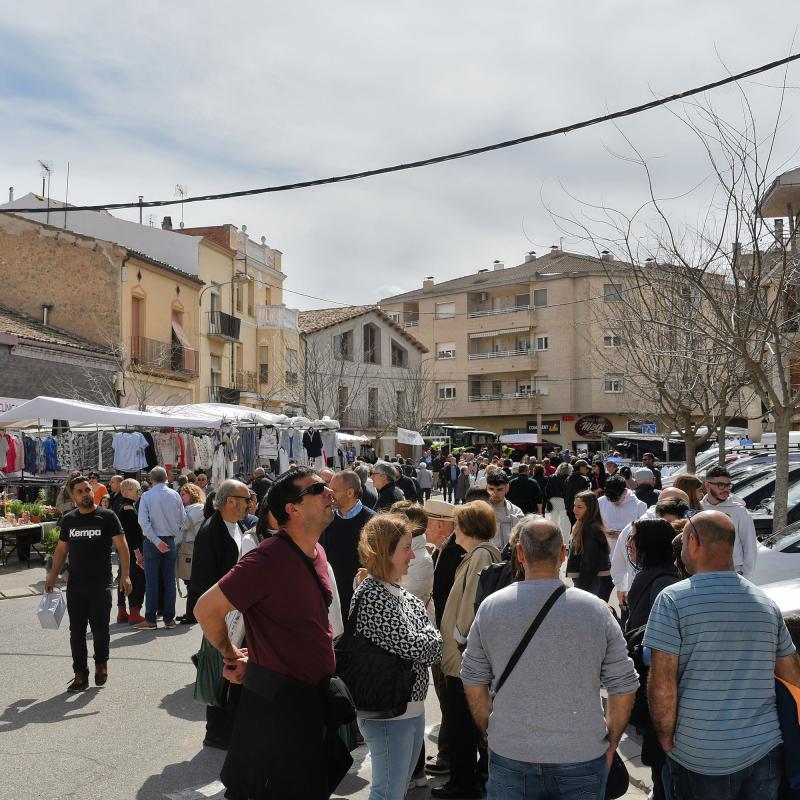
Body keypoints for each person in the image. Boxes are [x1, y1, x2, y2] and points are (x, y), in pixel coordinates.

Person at [194, 468, 349, 798]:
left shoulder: (317, 552)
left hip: (310, 704)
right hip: (279, 711)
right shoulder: (267, 557)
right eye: (318, 489)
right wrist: (230, 652)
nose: (329, 493)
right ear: (292, 509)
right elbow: (206, 609)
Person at [461, 518, 639, 800]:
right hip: (580, 755)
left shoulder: (491, 607)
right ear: (563, 554)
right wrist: (611, 742)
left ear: (519, 553)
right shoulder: (596, 610)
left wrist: (491, 733)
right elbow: (624, 685)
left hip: (511, 753)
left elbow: (473, 679)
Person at [645, 510, 800, 800]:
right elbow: (792, 674)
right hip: (764, 750)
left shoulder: (672, 600)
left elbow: (663, 681)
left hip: (698, 753)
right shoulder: (765, 602)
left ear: (693, 541)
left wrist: (665, 737)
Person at [351, 513, 443, 800]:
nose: (412, 556)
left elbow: (428, 643)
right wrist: (431, 638)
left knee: (397, 787)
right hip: (389, 710)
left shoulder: (398, 592)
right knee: (389, 791)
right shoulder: (373, 594)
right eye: (406, 547)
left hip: (408, 708)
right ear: (384, 551)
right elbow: (419, 646)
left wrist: (429, 639)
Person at [435, 501, 500, 799]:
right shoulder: (479, 554)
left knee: (462, 724)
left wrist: (459, 640)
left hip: (463, 658)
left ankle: (463, 785)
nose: (453, 529)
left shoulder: (480, 556)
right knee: (465, 724)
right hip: (465, 656)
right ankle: (467, 781)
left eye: (458, 524)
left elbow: (471, 609)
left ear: (469, 527)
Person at [44, 474, 132, 691]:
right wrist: (52, 576)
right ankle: (80, 674)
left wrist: (125, 575)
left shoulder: (107, 516)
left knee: (100, 630)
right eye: (80, 492)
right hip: (75, 585)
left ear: (92, 492)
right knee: (76, 632)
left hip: (100, 584)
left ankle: (101, 663)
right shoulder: (69, 520)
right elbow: (61, 549)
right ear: (73, 497)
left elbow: (122, 546)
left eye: (87, 490)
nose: (85, 494)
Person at [189, 479, 253, 750]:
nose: (249, 502)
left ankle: (228, 727)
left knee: (230, 670)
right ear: (230, 501)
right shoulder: (211, 531)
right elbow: (203, 579)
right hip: (221, 613)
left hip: (235, 612)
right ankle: (215, 732)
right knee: (218, 671)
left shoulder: (237, 526)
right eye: (245, 498)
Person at [623, 518, 680, 800]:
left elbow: (661, 647)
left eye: (634, 538)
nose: (629, 544)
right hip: (649, 684)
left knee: (663, 764)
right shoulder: (651, 575)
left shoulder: (665, 584)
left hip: (659, 687)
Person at [424, 498, 462, 778]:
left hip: (449, 637)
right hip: (443, 634)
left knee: (450, 698)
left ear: (438, 524)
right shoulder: (443, 549)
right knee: (447, 696)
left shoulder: (452, 552)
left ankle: (449, 755)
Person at [610, 488, 690, 607]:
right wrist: (621, 586)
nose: (630, 544)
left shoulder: (689, 537)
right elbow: (617, 562)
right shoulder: (636, 528)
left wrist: (621, 587)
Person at [135, 466, 186, 630]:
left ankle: (150, 619)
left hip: (152, 541)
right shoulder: (175, 495)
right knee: (169, 580)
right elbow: (183, 519)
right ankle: (169, 619)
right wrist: (171, 536)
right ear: (166, 478)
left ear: (151, 480)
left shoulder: (147, 496)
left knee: (152, 582)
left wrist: (157, 541)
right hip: (169, 540)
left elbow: (143, 522)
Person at [320, 470, 376, 616]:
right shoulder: (327, 518)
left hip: (360, 602)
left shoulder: (372, 522)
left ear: (350, 493)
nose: (330, 495)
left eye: (334, 491)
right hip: (332, 598)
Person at [700, 465, 758, 578]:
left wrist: (746, 576)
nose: (726, 489)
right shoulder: (698, 508)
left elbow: (750, 546)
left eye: (728, 485)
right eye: (720, 485)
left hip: (733, 572)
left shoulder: (739, 511)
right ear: (707, 485)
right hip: (703, 572)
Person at [565, 490, 612, 600]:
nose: (575, 509)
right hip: (587, 578)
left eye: (580, 507)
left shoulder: (591, 529)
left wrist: (581, 588)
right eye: (574, 506)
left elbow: (590, 563)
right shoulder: (581, 524)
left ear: (590, 509)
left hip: (591, 579)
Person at [115, 478, 146, 625]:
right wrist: (138, 553)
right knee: (136, 580)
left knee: (123, 577)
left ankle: (122, 611)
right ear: (127, 491)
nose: (139, 492)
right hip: (132, 550)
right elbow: (131, 535)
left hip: (125, 550)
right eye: (136, 490)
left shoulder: (124, 507)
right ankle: (134, 612)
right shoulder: (128, 509)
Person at [176, 481, 206, 625]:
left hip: (192, 547)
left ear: (192, 494)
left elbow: (185, 524)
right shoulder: (187, 508)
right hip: (185, 547)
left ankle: (193, 614)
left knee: (192, 582)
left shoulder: (199, 507)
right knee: (189, 581)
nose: (180, 496)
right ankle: (191, 612)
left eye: (183, 494)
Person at [599, 474, 647, 561]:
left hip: (628, 552)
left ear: (625, 491)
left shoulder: (639, 505)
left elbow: (644, 532)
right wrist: (602, 531)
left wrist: (623, 534)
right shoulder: (601, 501)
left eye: (617, 499)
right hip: (605, 550)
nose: (614, 503)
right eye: (610, 500)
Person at [485, 471, 524, 550]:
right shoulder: (481, 511)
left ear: (507, 488)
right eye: (491, 489)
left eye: (499, 489)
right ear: (486, 487)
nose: (494, 493)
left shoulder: (516, 512)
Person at [546, 462, 572, 544]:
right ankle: (565, 543)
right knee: (565, 524)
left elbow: (547, 491)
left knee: (554, 522)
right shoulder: (569, 478)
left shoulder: (552, 477)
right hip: (565, 502)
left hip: (553, 501)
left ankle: (553, 541)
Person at [564, 459, 592, 525]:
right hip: (581, 508)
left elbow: (564, 493)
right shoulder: (585, 479)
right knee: (582, 528)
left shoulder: (568, 478)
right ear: (581, 468)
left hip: (569, 508)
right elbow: (587, 495)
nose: (587, 470)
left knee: (573, 527)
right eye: (586, 468)